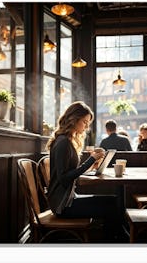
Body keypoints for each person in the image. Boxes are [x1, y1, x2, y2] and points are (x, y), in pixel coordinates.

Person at [46, 101, 121, 242]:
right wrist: (90, 160)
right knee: (112, 206)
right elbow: (64, 179)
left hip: (67, 199)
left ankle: (114, 239)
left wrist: (91, 167)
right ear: (73, 119)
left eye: (88, 122)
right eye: (84, 122)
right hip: (63, 205)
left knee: (114, 200)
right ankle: (114, 242)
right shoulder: (63, 143)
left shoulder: (66, 140)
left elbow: (71, 173)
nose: (87, 126)